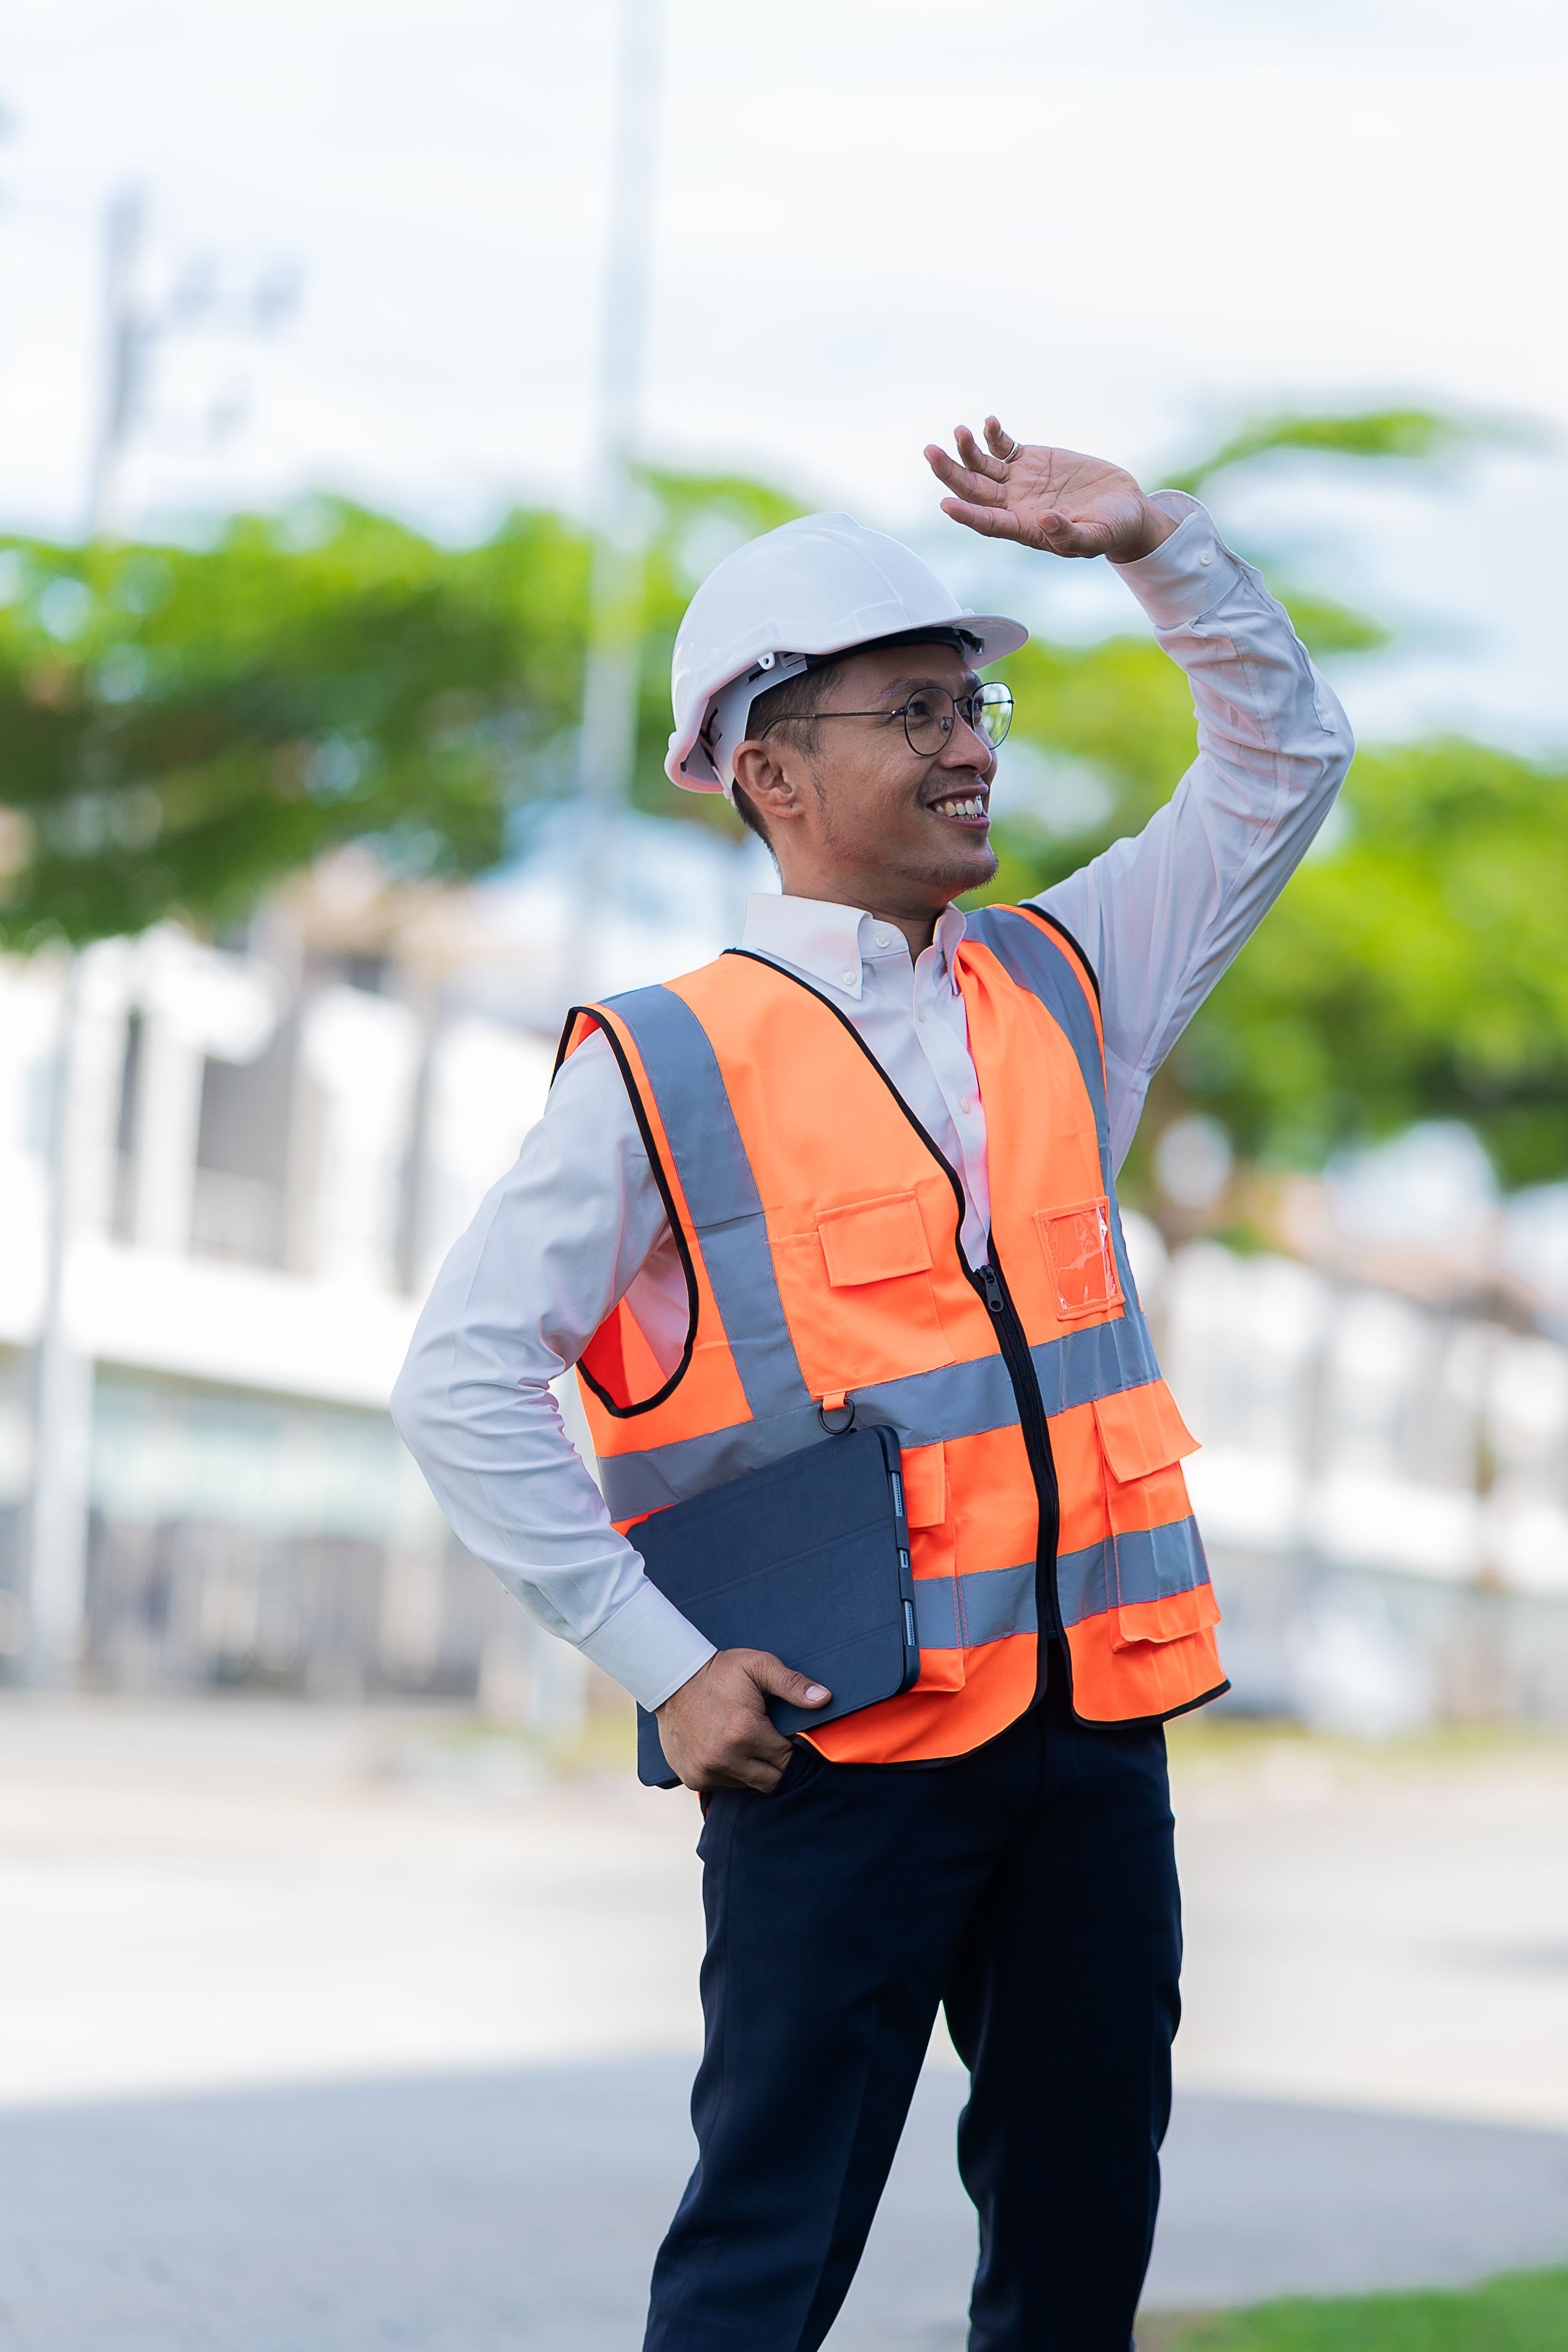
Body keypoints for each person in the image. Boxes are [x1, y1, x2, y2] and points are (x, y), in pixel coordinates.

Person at [390, 419, 1352, 2352]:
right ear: (771, 768)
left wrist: (1159, 545)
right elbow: (461, 1376)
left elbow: (1285, 762)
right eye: (913, 711)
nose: (971, 745)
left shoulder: (1071, 985)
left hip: (1088, 1743)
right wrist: (659, 1658)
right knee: (769, 2251)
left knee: (1083, 2235)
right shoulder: (663, 1062)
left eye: (973, 703)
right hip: (834, 1757)